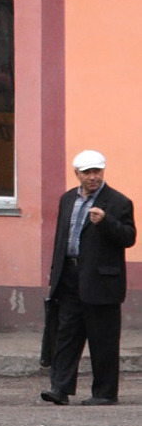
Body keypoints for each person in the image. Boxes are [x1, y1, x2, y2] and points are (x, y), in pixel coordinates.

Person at [41, 150, 135, 406]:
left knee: (103, 339)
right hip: (69, 276)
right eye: (87, 172)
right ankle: (59, 388)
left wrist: (106, 222)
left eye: (97, 172)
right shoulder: (67, 199)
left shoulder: (118, 202)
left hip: (101, 281)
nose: (93, 177)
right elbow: (62, 239)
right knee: (66, 334)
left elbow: (129, 237)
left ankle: (105, 393)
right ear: (77, 174)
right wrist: (55, 275)